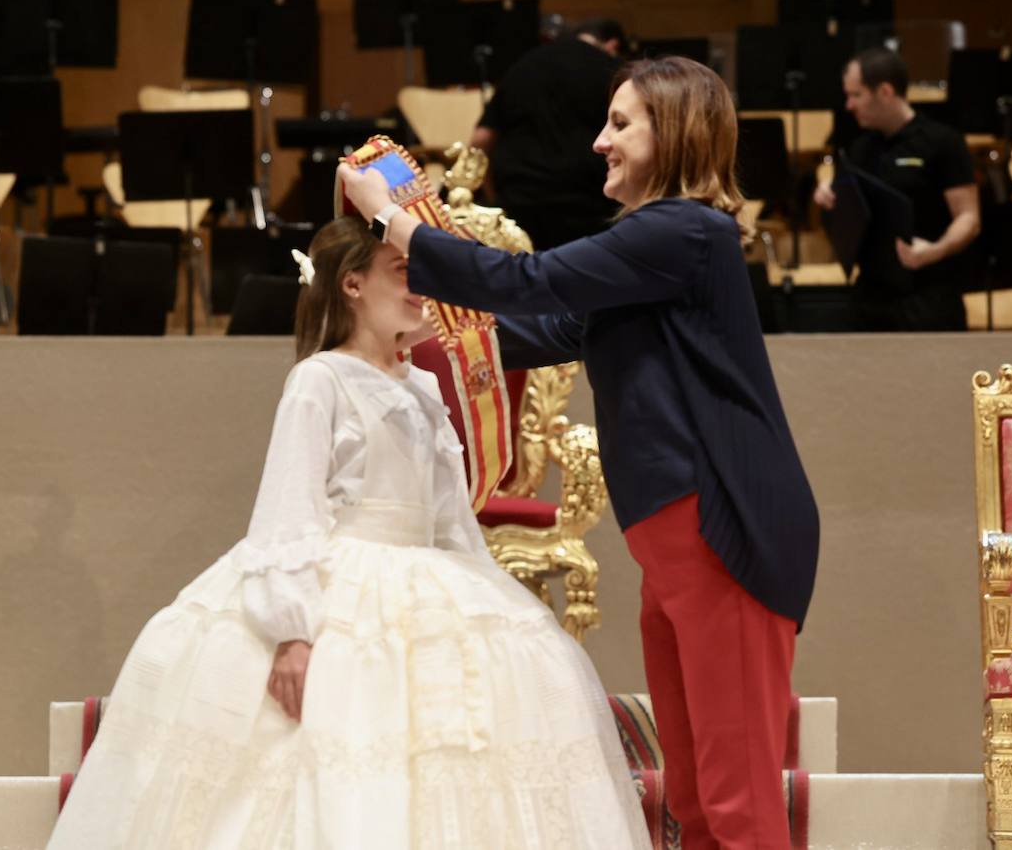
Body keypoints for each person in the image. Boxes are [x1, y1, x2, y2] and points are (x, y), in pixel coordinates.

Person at [45, 216, 651, 850]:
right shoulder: (320, 379)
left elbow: (449, 515)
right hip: (344, 577)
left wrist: (486, 601)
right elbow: (289, 507)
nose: (421, 286)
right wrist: (291, 632)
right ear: (353, 284)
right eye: (402, 271)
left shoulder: (421, 386)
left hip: (427, 574)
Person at [341, 55, 819, 850]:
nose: (600, 141)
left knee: (736, 805)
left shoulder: (682, 231)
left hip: (724, 528)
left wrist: (395, 220)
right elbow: (534, 332)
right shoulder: (652, 247)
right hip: (677, 539)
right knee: (697, 799)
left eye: (621, 123)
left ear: (674, 134)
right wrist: (401, 330)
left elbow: (527, 285)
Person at [814, 47, 981, 331]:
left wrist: (935, 250)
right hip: (870, 295)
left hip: (927, 294)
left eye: (856, 95)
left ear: (885, 92)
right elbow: (846, 211)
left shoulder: (942, 142)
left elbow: (969, 218)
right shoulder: (860, 148)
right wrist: (827, 193)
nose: (849, 105)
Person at [469, 18, 624, 250]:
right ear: (612, 45)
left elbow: (480, 141)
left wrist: (494, 200)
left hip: (520, 208)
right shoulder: (614, 72)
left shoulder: (523, 65)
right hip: (591, 211)